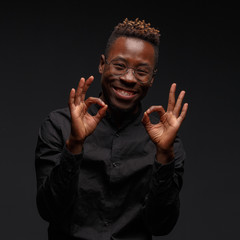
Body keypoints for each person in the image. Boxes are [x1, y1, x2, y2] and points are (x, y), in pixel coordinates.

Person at [35, 18, 188, 240]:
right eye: (119, 66)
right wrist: (74, 144)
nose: (128, 78)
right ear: (102, 64)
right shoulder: (58, 125)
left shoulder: (168, 144)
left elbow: (161, 226)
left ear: (152, 79)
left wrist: (164, 155)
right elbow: (49, 210)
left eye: (141, 71)